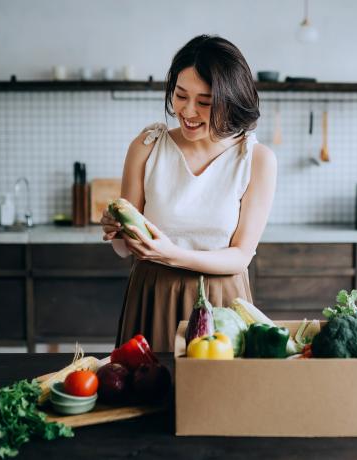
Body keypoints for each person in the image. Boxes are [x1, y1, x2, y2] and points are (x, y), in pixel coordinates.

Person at [101, 34, 277, 352]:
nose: (188, 111)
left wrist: (172, 255)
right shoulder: (147, 147)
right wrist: (116, 229)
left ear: (231, 100)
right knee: (147, 395)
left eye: (205, 102)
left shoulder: (256, 159)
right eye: (180, 96)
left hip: (222, 304)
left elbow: (240, 256)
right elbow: (124, 249)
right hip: (153, 295)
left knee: (220, 398)